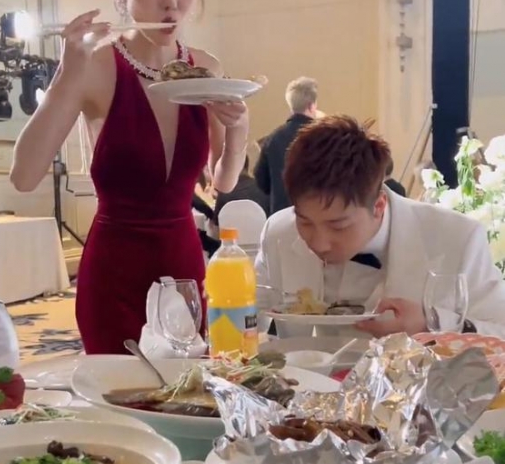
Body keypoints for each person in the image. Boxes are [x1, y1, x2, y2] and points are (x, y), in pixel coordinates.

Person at [10, 0, 249, 354]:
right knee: (116, 389)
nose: (171, 4)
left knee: (187, 389)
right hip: (113, 273)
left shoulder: (205, 68)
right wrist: (67, 73)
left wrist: (238, 130)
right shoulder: (96, 65)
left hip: (183, 270)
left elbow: (224, 181)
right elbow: (24, 176)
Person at [255, 115, 505, 339]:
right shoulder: (279, 232)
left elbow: (500, 332)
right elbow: (250, 316)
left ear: (378, 205)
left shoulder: (457, 238)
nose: (318, 243)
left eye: (338, 225)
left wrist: (431, 324)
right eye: (304, 221)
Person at [254, 76, 318, 215]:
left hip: (280, 216)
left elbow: (261, 181)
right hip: (314, 216)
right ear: (311, 106)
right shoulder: (323, 136)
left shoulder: (272, 138)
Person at [213, 155, 269, 222]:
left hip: (231, 229)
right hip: (262, 228)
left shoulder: (224, 192)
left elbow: (216, 224)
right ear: (247, 166)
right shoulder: (264, 188)